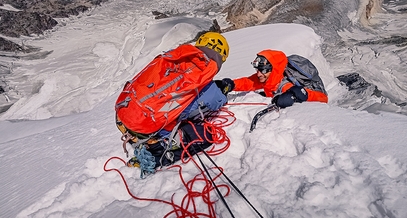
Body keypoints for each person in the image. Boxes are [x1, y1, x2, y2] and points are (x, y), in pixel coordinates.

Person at [116, 30, 235, 173]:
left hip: (122, 113)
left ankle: (142, 140)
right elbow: (216, 101)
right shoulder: (203, 76)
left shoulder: (173, 56)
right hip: (147, 127)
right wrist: (222, 87)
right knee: (206, 136)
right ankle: (157, 156)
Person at [232, 49, 328, 108]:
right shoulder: (268, 78)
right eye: (257, 70)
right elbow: (249, 82)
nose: (258, 74)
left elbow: (323, 99)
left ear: (273, 69)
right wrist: (230, 84)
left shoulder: (285, 85)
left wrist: (298, 95)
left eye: (263, 70)